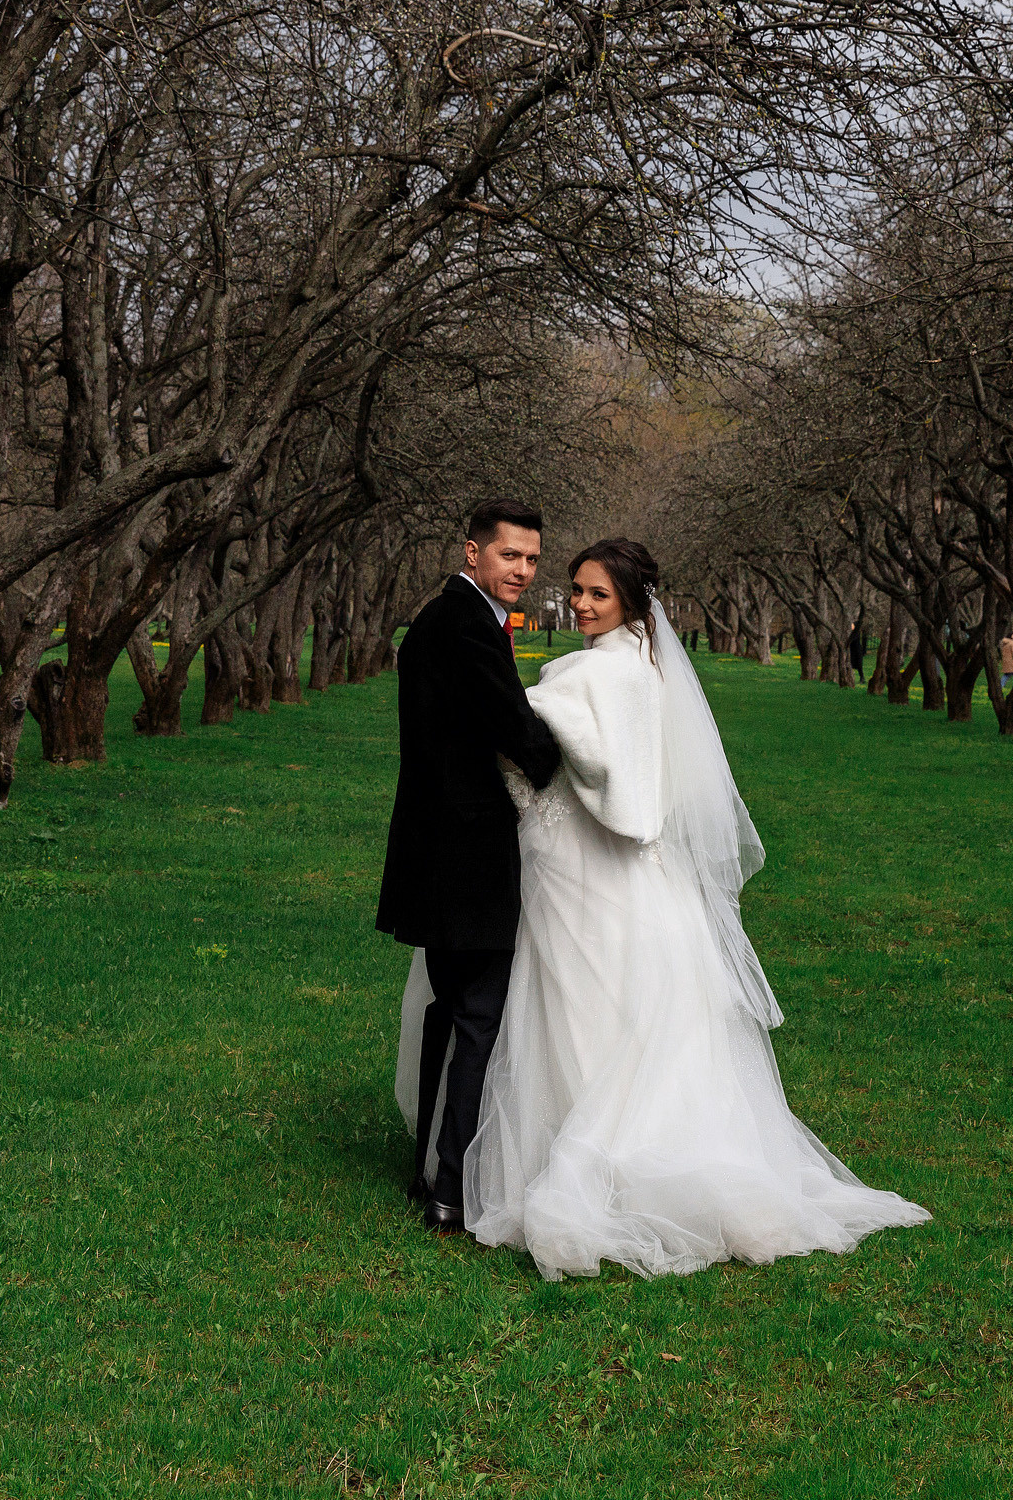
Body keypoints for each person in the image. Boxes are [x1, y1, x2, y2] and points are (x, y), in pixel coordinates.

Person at [398, 537, 928, 1279]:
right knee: (620, 1006)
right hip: (626, 875)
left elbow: (552, 753)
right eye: (576, 589)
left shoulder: (588, 676)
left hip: (577, 869)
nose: (580, 603)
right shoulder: (646, 672)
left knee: (573, 1003)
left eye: (597, 595)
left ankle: (566, 1155)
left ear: (632, 604)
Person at [378, 500, 562, 1233]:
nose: (522, 569)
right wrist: (560, 765)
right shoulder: (465, 624)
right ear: (474, 551)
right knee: (478, 1016)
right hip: (468, 853)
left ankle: (428, 1169)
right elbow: (511, 726)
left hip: (436, 849)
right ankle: (452, 1188)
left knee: (448, 1009)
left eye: (531, 559)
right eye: (510, 555)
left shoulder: (441, 617)